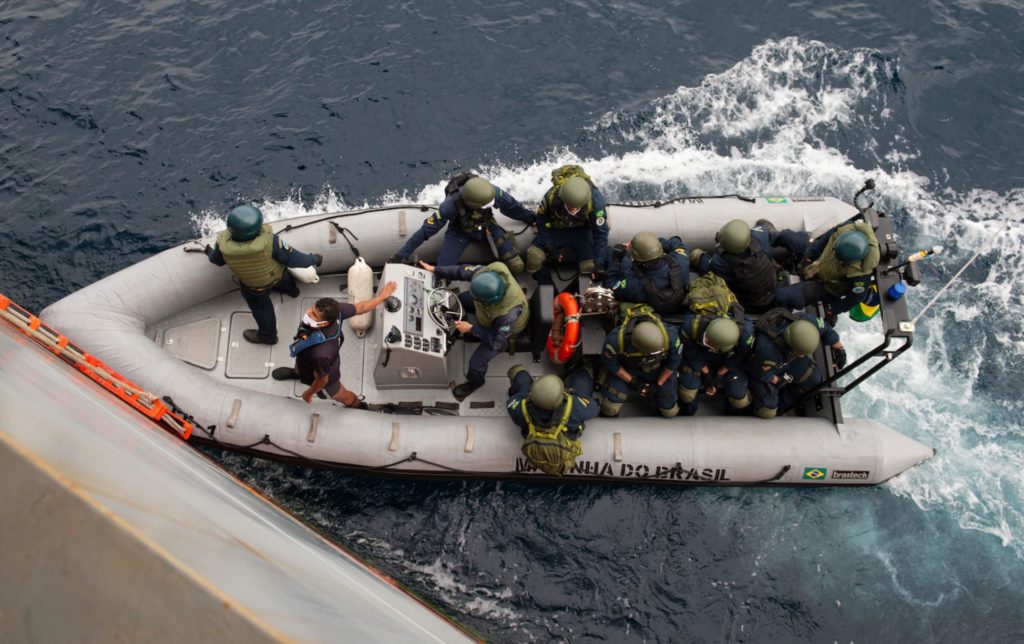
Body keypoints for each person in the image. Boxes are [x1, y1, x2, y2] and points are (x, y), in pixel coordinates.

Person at [206, 205, 322, 345]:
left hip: (254, 287)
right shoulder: (271, 242)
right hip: (277, 276)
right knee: (284, 279)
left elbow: (216, 260)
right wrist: (315, 259)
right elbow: (294, 260)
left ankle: (268, 336)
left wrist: (209, 252)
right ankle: (293, 291)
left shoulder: (223, 246)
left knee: (261, 308)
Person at [419, 260, 529, 401]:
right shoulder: (493, 270)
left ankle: (475, 382)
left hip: (504, 334)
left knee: (476, 363)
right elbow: (462, 270)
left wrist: (472, 329)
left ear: (490, 302)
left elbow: (495, 341)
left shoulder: (507, 317)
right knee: (461, 299)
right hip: (490, 314)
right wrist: (436, 269)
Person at [271, 285, 397, 406]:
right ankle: (297, 373)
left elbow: (322, 381)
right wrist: (381, 297)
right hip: (306, 360)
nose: (308, 314)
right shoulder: (334, 311)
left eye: (314, 315)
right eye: (312, 309)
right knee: (302, 365)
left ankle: (357, 405)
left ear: (324, 323)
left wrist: (308, 393)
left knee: (342, 395)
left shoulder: (321, 354)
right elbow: (361, 307)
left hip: (325, 377)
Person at [388, 174, 535, 273]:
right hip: (460, 232)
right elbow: (426, 231)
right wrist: (401, 255)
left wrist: (532, 218)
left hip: (486, 226)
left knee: (515, 264)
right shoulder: (449, 207)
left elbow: (513, 207)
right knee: (443, 271)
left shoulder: (491, 193)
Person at [746, 308, 847, 419]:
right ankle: (759, 406)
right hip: (764, 369)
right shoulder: (767, 350)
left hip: (788, 359)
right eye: (801, 353)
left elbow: (826, 329)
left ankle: (782, 404)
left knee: (813, 379)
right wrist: (778, 380)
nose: (803, 356)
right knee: (768, 410)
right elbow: (760, 373)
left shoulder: (807, 323)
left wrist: (840, 349)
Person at [690, 219, 808, 313]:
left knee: (697, 256)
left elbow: (709, 269)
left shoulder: (720, 262)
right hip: (772, 287)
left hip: (749, 303)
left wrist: (699, 258)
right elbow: (763, 231)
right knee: (772, 234)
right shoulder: (758, 237)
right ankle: (775, 234)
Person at [772, 219, 880, 317]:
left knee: (782, 297)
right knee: (786, 236)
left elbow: (855, 298)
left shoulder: (860, 275)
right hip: (817, 259)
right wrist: (808, 257)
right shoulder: (843, 229)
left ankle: (777, 313)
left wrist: (832, 310)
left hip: (826, 287)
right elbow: (822, 242)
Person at [506, 366, 600, 475]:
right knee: (583, 376)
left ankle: (518, 373)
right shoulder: (575, 407)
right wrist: (573, 394)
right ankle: (586, 368)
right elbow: (593, 408)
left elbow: (513, 401)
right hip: (564, 434)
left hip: (532, 426)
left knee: (520, 374)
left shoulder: (519, 408)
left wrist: (528, 394)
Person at [524, 165, 610, 285]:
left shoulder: (596, 202)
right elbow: (541, 221)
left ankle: (578, 292)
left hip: (582, 231)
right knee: (534, 258)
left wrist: (599, 262)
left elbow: (600, 233)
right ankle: (548, 287)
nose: (574, 210)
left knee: (590, 266)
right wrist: (548, 245)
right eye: (571, 206)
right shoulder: (552, 197)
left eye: (577, 207)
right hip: (558, 229)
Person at [599, 313, 683, 418]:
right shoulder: (616, 340)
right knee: (609, 408)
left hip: (658, 370)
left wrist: (657, 384)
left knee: (670, 412)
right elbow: (610, 363)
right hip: (628, 369)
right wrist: (633, 381)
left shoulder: (670, 336)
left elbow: (673, 363)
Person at [677, 314, 754, 415]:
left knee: (740, 400)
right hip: (699, 355)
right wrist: (706, 372)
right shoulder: (690, 326)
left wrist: (720, 374)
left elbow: (741, 355)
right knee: (687, 394)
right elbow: (689, 351)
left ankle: (732, 414)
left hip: (728, 358)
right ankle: (688, 413)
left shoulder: (745, 333)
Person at [604, 232, 691, 314]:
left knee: (610, 252)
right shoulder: (681, 262)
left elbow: (611, 285)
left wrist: (616, 260)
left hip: (654, 307)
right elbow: (676, 242)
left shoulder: (635, 285)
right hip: (675, 302)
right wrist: (651, 244)